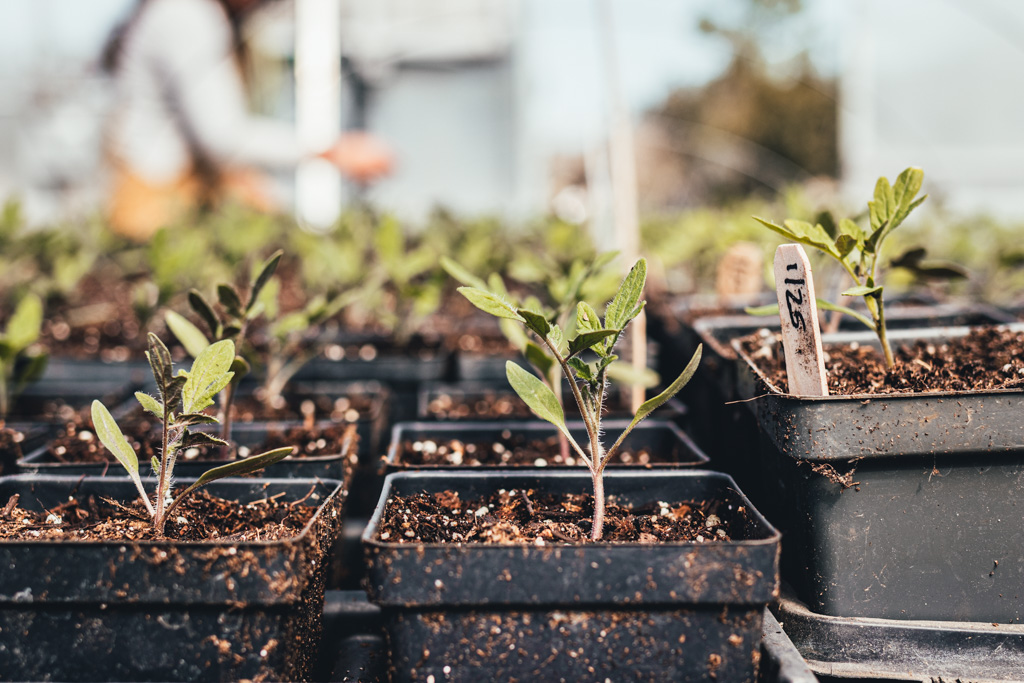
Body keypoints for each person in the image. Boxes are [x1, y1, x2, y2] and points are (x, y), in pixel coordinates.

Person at [101, 0, 392, 240]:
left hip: (179, 190)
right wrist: (332, 150)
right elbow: (223, 137)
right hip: (157, 200)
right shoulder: (186, 14)